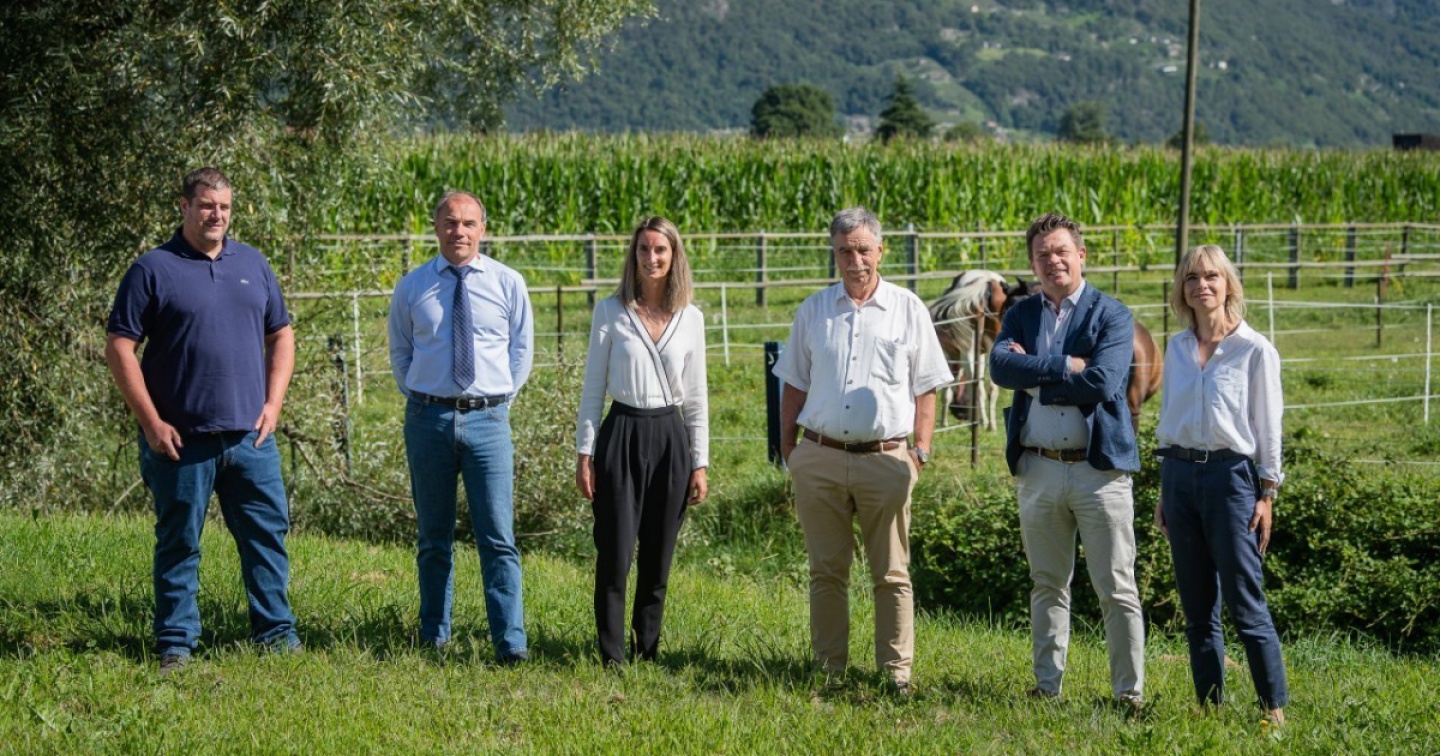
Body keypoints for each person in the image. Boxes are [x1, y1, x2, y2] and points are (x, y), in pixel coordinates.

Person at [105, 167, 301, 675]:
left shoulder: (253, 264)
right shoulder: (153, 269)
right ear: (185, 207)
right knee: (179, 542)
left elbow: (281, 333)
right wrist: (151, 423)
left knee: (266, 538)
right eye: (208, 205)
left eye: (225, 207)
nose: (217, 215)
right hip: (181, 441)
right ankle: (176, 643)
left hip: (250, 438)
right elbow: (120, 347)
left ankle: (277, 635)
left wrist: (274, 403)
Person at [772, 207, 951, 694]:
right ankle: (829, 669)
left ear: (880, 251)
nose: (855, 261)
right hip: (820, 458)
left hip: (886, 460)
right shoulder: (814, 311)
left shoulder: (908, 309)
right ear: (834, 254)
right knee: (826, 572)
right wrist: (791, 452)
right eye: (844, 252)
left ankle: (895, 674)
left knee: (891, 573)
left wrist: (920, 452)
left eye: (863, 250)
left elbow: (927, 388)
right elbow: (794, 385)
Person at [990, 212, 1145, 708]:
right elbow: (1000, 367)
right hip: (1038, 467)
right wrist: (1062, 366)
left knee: (1116, 587)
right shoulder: (1021, 314)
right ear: (1032, 263)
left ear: (1081, 255)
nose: (1052, 260)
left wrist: (1034, 380)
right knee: (1047, 583)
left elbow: (1102, 381)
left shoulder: (1111, 314)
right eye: (1042, 254)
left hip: (1098, 470)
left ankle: (1128, 695)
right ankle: (1046, 687)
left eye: (1061, 251)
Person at [388, 190, 533, 664]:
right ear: (436, 227)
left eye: (469, 223)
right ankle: (434, 635)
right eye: (451, 222)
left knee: (498, 538)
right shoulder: (412, 287)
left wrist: (496, 400)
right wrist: (426, 397)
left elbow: (521, 352)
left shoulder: (509, 283)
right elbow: (401, 352)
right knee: (433, 536)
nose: (460, 232)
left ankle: (510, 643)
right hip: (428, 420)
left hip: (489, 421)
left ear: (482, 230)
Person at [1153, 245, 1288, 726]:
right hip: (1179, 477)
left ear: (1228, 284)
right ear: (1182, 290)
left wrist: (1266, 493)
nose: (1201, 285)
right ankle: (1209, 706)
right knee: (1196, 606)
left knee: (1245, 601)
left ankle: (1273, 709)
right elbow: (1170, 419)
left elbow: (1268, 427)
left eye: (1211, 276)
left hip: (1231, 480)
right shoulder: (1176, 348)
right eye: (1191, 278)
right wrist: (1164, 493)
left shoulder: (1254, 349)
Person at [574, 217, 709, 666]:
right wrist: (585, 452)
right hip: (622, 431)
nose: (652, 258)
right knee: (615, 552)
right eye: (644, 249)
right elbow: (593, 388)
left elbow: (697, 396)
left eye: (660, 250)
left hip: (671, 436)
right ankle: (611, 654)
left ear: (674, 256)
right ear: (633, 255)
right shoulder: (610, 311)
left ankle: (646, 649)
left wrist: (700, 462)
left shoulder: (691, 318)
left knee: (658, 552)